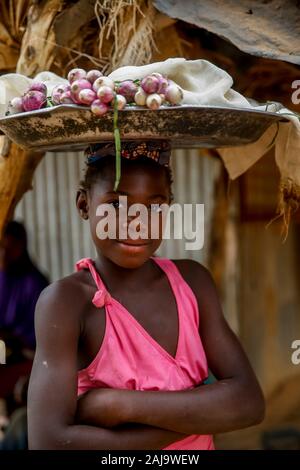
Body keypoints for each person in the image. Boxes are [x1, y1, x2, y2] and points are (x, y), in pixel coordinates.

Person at [27, 140, 265, 450]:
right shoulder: (66, 303)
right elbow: (49, 441)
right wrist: (201, 417)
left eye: (153, 207)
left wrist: (119, 405)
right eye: (115, 204)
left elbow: (248, 402)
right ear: (84, 205)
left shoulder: (193, 283)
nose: (136, 223)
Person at [0, 221, 48, 400]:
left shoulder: (34, 283)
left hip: (25, 351)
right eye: (1, 246)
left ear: (22, 246)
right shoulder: (2, 277)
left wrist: (9, 338)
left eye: (11, 246)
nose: (5, 253)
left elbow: (36, 334)